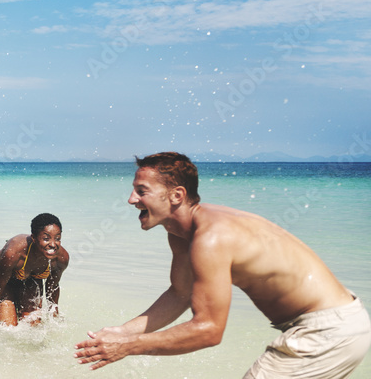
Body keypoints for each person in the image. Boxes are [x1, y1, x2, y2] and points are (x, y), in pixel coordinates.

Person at [75, 152, 371, 377]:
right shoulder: (180, 234)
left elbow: (209, 330)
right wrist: (123, 333)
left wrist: (128, 347)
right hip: (338, 326)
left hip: (326, 332)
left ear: (176, 195)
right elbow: (180, 294)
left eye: (142, 191)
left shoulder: (211, 238)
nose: (130, 199)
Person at [0, 213, 69, 326]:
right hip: (3, 278)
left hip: (31, 279)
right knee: (8, 327)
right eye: (46, 239)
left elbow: (52, 287)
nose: (53, 244)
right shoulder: (13, 253)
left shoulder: (61, 258)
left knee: (33, 326)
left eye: (57, 238)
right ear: (34, 238)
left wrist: (54, 316)